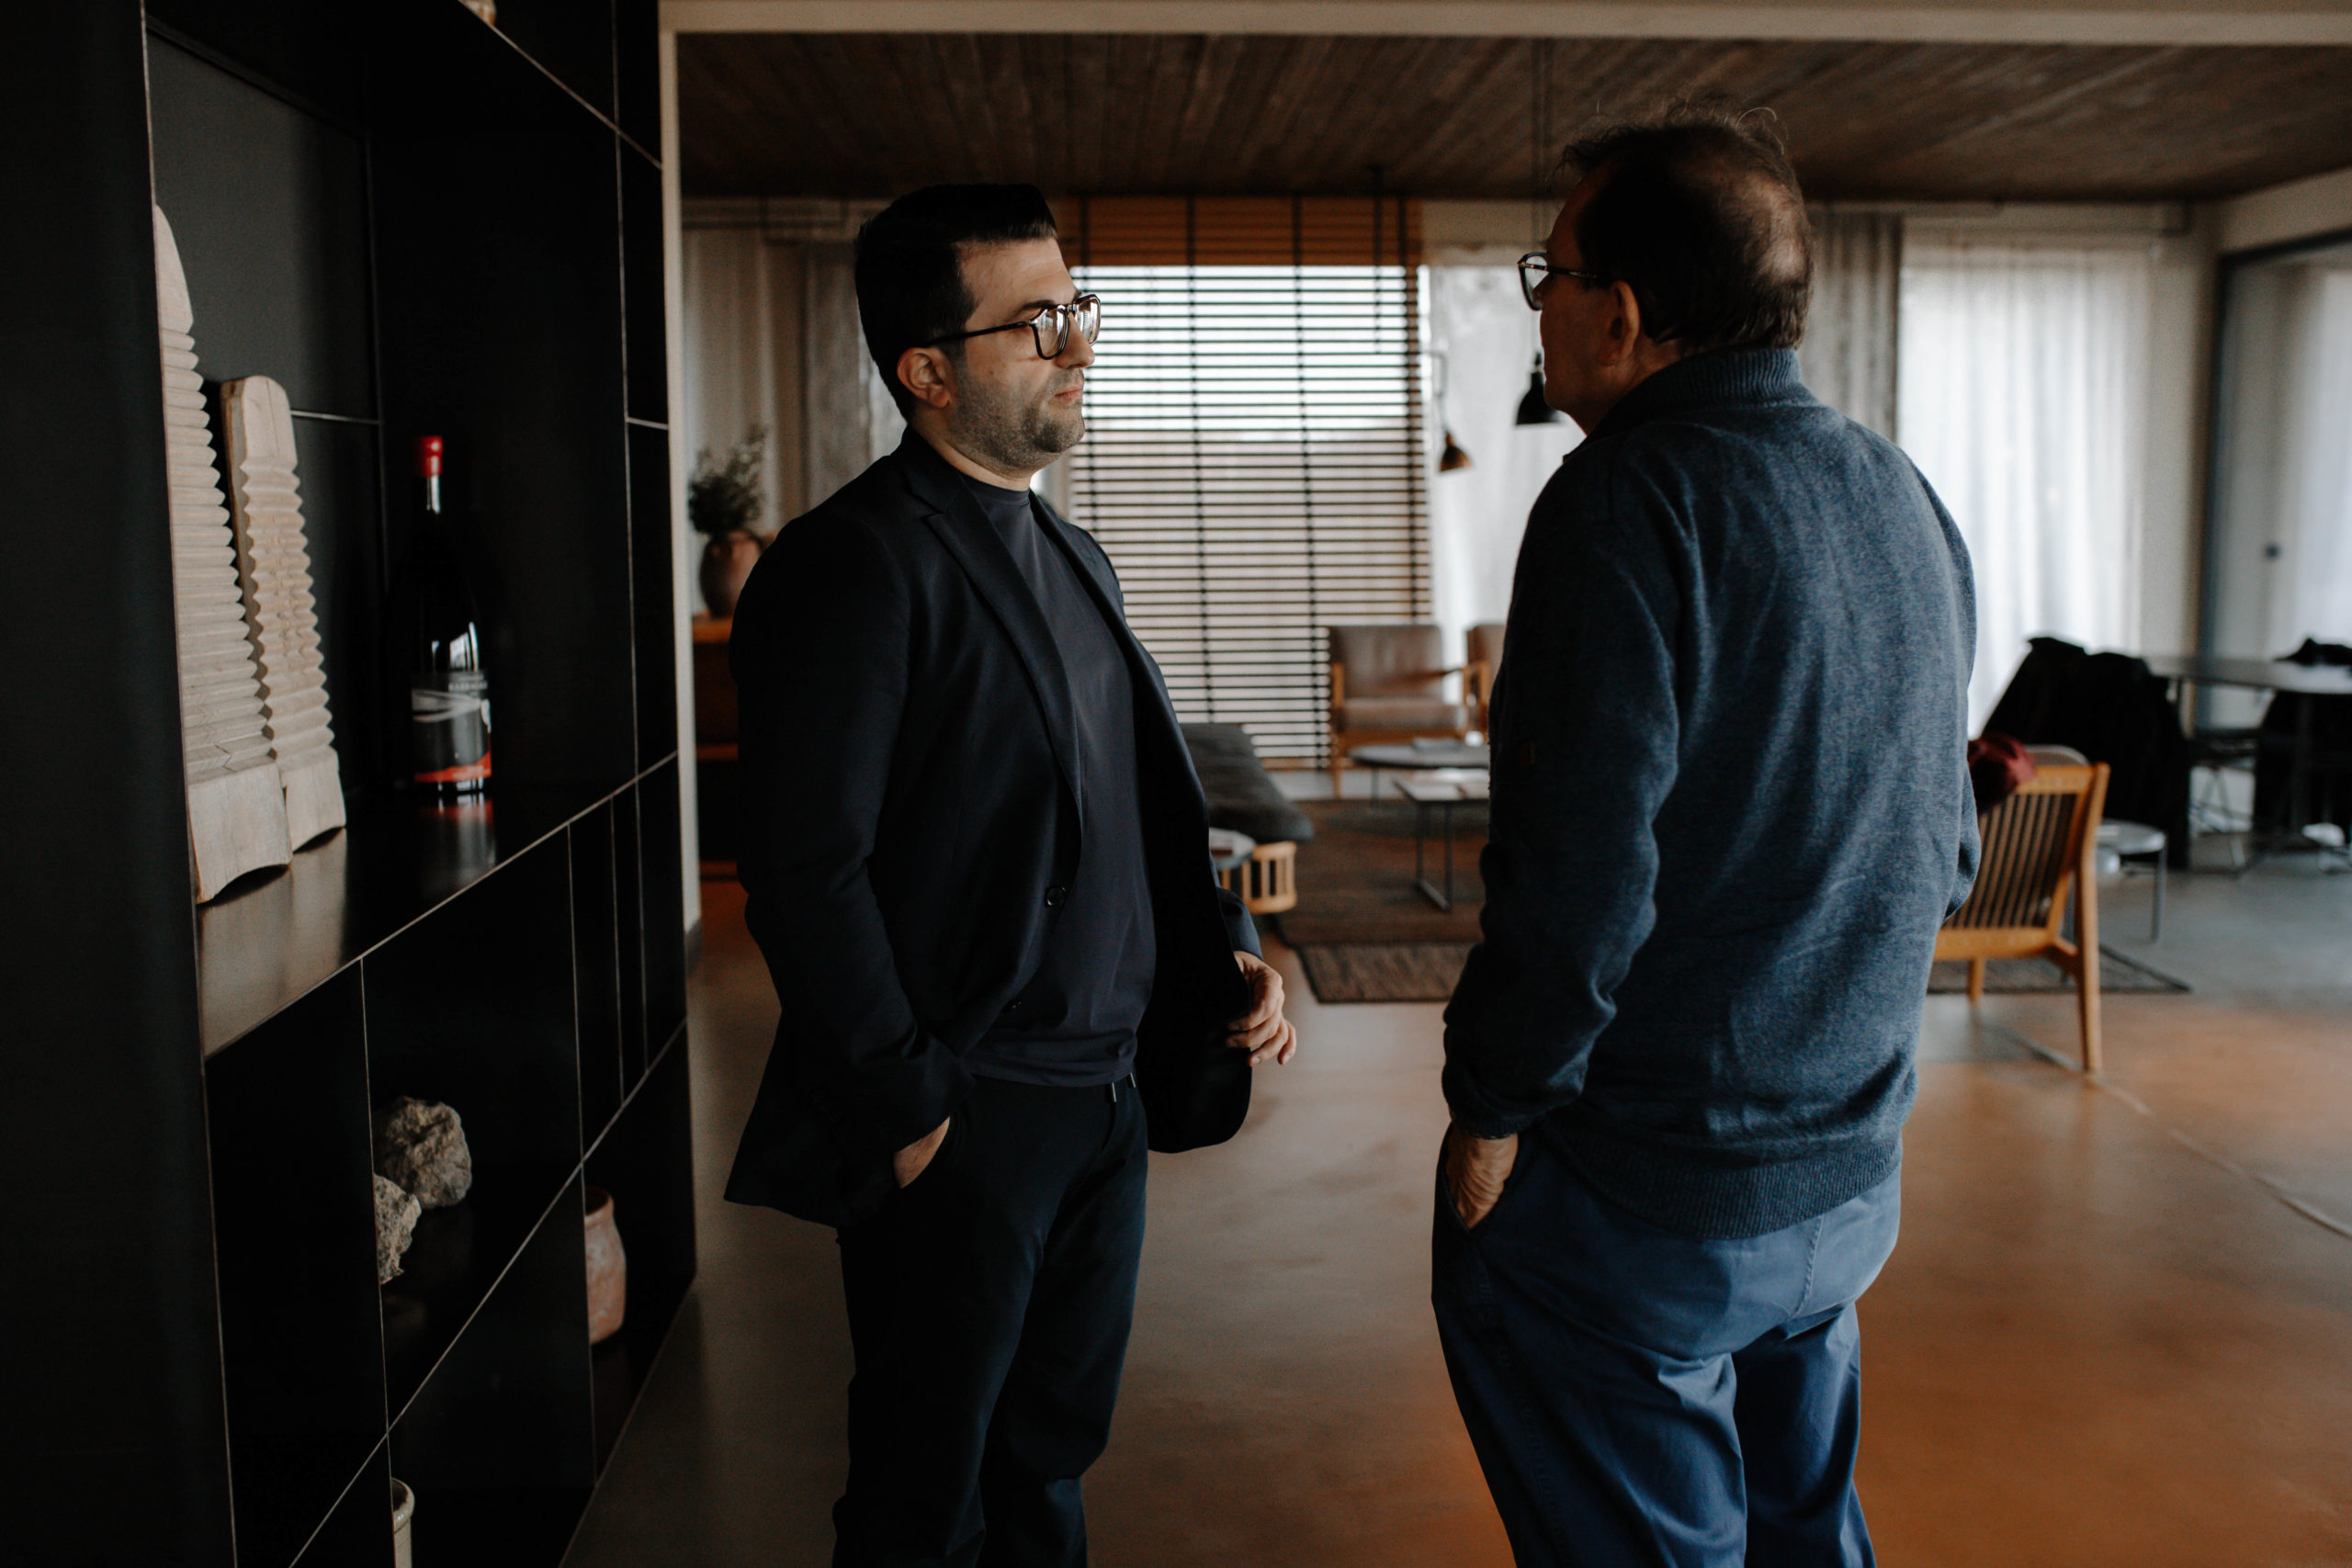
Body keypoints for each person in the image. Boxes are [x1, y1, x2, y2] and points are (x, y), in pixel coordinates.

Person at [1433, 111, 1980, 1568]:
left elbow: (1577, 884)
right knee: (1805, 1527)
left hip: (1650, 1201)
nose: (1538, 306)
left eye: (1548, 275)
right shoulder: (1901, 491)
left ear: (1621, 315)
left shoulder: (1624, 501)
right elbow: (1947, 848)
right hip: (1848, 1179)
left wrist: (1490, 1110)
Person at [722, 183, 1296, 1568]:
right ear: (927, 371)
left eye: (1076, 307)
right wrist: (914, 1109)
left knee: (1049, 1464)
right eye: (1036, 321)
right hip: (969, 1111)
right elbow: (803, 871)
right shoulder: (850, 565)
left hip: (1102, 1103)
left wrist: (1221, 945)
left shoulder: (1073, 554)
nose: (1077, 343)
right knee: (923, 1500)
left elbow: (1128, 806)